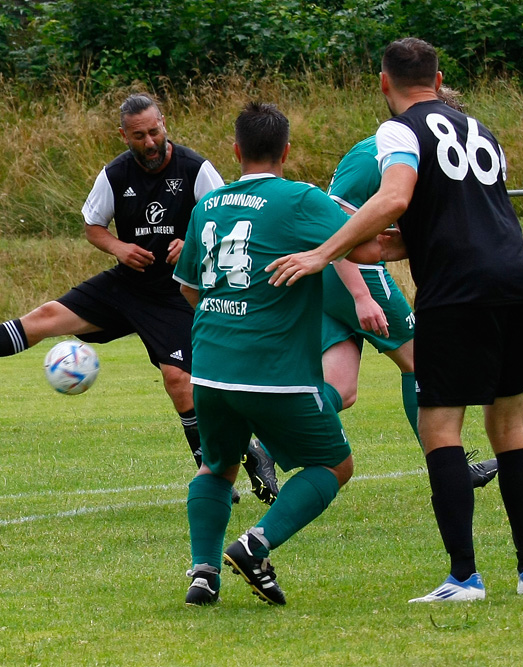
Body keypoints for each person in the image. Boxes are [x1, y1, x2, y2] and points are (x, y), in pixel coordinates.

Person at [267, 38, 523, 602]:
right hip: (515, 283)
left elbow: (395, 198)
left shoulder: (398, 130)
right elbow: (447, 223)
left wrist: (322, 253)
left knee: (439, 431)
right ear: (440, 77)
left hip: (457, 294)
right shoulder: (480, 130)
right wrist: (365, 244)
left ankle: (464, 578)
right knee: (509, 428)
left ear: (383, 82)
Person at [0, 93, 277, 499]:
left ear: (164, 124)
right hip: (127, 285)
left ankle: (237, 460)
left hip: (175, 291)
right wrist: (119, 248)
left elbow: (226, 220)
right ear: (124, 135)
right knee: (46, 317)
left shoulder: (196, 169)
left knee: (179, 381)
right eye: (139, 136)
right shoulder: (115, 174)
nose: (150, 142)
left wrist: (190, 244)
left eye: (154, 132)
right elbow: (93, 225)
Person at [174, 101, 383, 606]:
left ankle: (203, 573)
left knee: (218, 466)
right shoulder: (299, 200)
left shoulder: (209, 204)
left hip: (210, 369)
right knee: (333, 465)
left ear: (236, 150)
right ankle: (256, 543)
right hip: (273, 372)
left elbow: (186, 287)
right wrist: (360, 221)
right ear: (287, 150)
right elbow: (368, 250)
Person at [320, 97, 497, 489]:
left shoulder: (398, 151)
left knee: (340, 388)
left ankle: (265, 443)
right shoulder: (378, 154)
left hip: (335, 275)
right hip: (351, 273)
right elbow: (334, 224)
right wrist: (362, 295)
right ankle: (449, 468)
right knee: (421, 360)